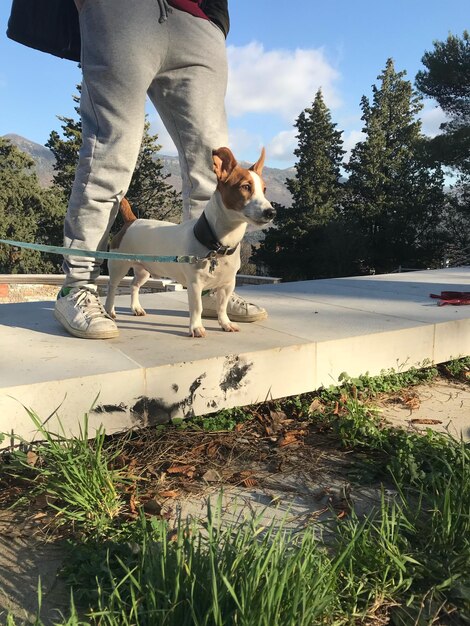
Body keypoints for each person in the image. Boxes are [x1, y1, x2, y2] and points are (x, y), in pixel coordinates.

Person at [7, 0, 267, 339]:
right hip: (120, 9)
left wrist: (214, 22)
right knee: (109, 156)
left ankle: (213, 286)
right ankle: (78, 288)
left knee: (212, 172)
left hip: (201, 22)